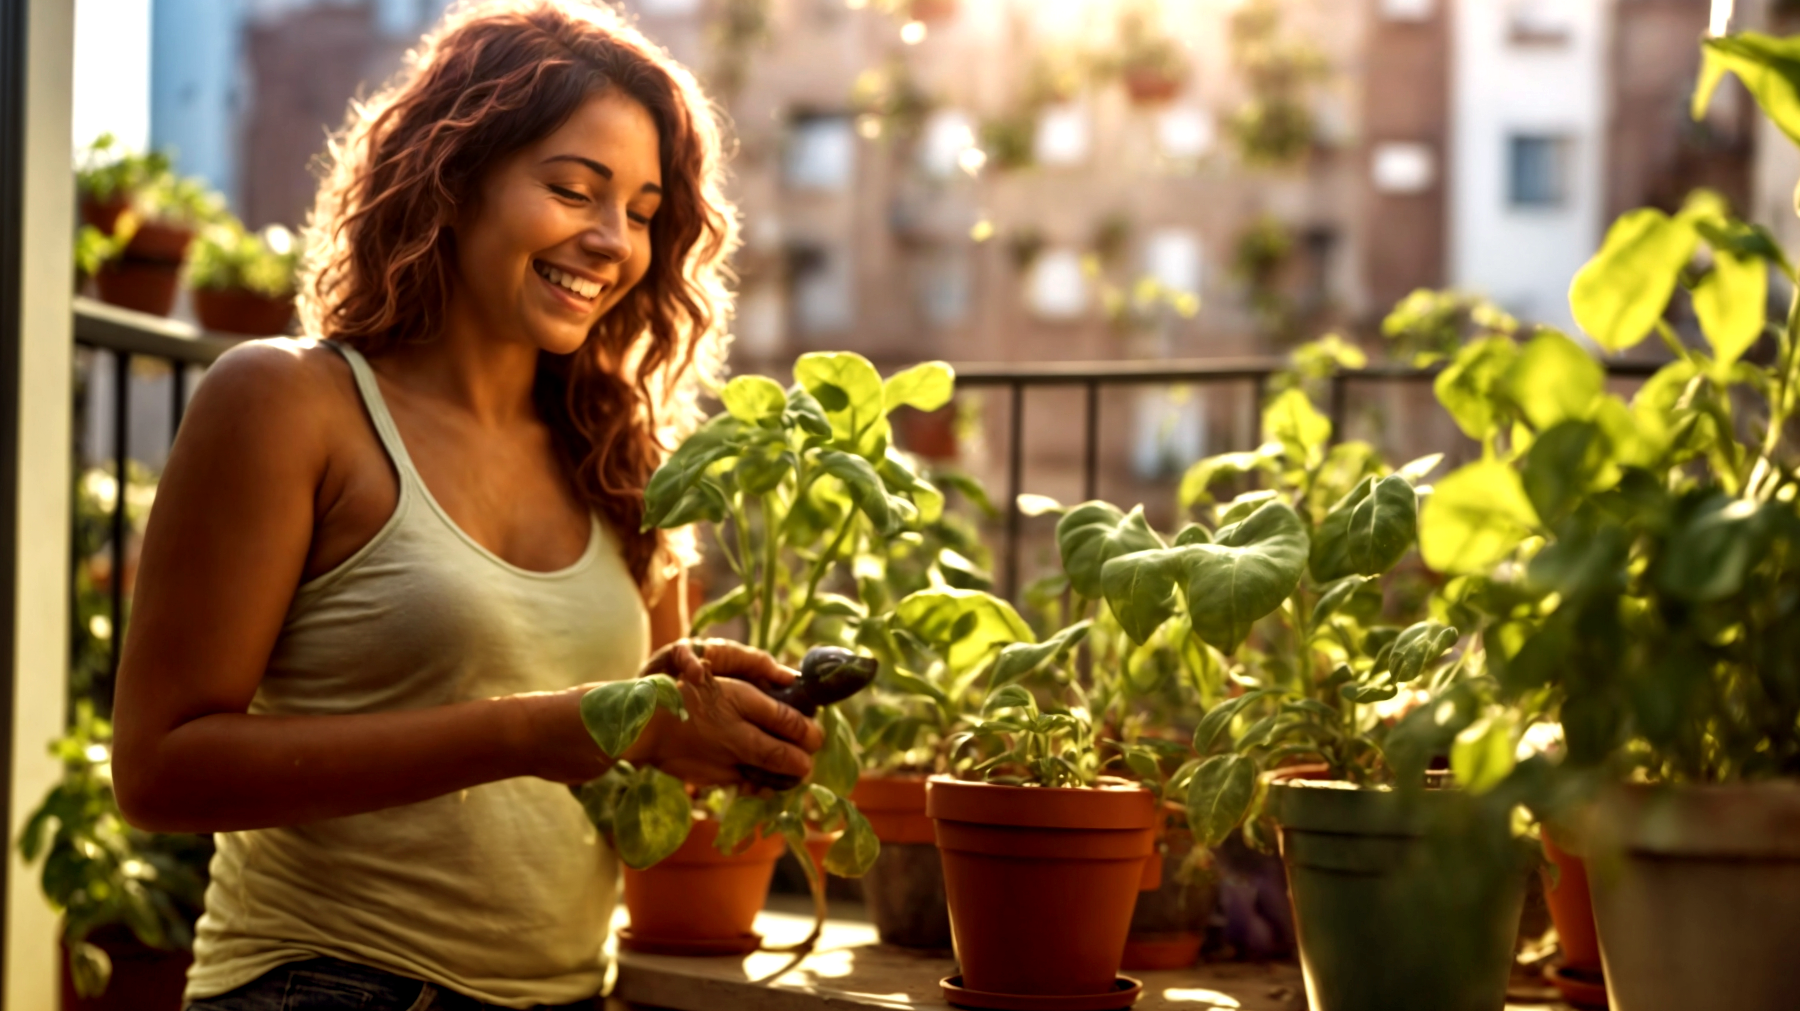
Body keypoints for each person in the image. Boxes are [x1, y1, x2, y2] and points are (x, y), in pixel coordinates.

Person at [108, 3, 816, 1007]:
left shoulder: (622, 457)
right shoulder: (288, 402)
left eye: (646, 213)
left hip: (572, 995)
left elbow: (618, 759)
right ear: (453, 177)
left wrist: (705, 726)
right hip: (328, 987)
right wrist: (534, 729)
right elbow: (158, 772)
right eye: (574, 189)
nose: (612, 241)